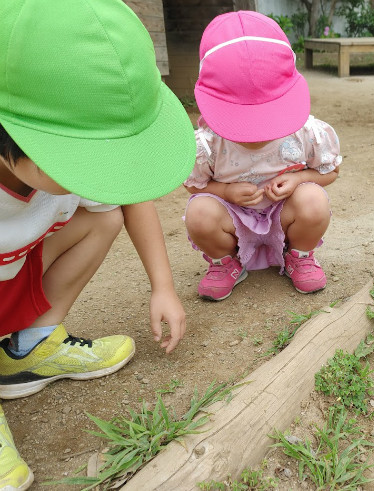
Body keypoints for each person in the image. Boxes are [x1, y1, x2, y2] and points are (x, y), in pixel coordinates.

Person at [0, 0, 196, 488]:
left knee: (100, 219)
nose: (101, 173)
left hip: (12, 277)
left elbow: (130, 201)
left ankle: (29, 346)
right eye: (82, 159)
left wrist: (163, 286)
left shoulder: (62, 162)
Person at [184, 11, 341, 301]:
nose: (255, 134)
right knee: (199, 212)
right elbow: (193, 185)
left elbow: (330, 172)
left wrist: (298, 180)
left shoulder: (305, 132)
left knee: (313, 199)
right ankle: (225, 261)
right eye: (242, 122)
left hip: (284, 216)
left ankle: (299, 254)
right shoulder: (208, 142)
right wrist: (226, 192)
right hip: (233, 220)